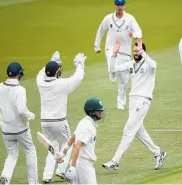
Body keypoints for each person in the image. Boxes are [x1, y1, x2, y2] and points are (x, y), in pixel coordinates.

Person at [102, 40, 167, 170]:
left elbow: (153, 65)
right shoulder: (131, 64)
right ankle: (158, 152)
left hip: (143, 100)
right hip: (132, 100)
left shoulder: (149, 65)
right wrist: (114, 55)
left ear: (143, 51)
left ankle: (115, 160)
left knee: (128, 130)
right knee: (138, 131)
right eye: (134, 51)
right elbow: (113, 69)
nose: (135, 53)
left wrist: (142, 51)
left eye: (137, 51)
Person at [36, 51, 87, 183]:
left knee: (52, 148)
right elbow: (78, 77)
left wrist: (53, 61)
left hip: (45, 122)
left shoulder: (40, 82)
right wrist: (80, 64)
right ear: (57, 73)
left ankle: (47, 175)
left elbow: (42, 72)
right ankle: (61, 169)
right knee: (69, 144)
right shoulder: (61, 84)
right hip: (59, 121)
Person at [0, 62, 38, 184]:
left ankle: (6, 177)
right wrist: (31, 115)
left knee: (12, 154)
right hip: (21, 129)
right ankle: (33, 183)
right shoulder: (20, 90)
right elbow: (22, 110)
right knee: (30, 151)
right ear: (20, 74)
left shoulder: (0, 86)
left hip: (6, 129)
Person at [94, 0, 142, 110]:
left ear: (124, 6)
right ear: (115, 5)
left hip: (125, 51)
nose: (120, 7)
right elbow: (101, 30)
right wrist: (97, 46)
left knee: (124, 80)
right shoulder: (108, 18)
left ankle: (120, 103)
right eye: (118, 4)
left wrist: (133, 35)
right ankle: (112, 72)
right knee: (111, 58)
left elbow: (139, 33)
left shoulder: (130, 18)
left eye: (121, 4)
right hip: (111, 47)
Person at [55, 97, 105, 184]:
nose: (101, 112)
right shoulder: (88, 128)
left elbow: (73, 138)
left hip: (79, 163)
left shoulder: (84, 121)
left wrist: (62, 153)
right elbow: (77, 146)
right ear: (91, 112)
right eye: (99, 111)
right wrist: (73, 167)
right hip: (84, 165)